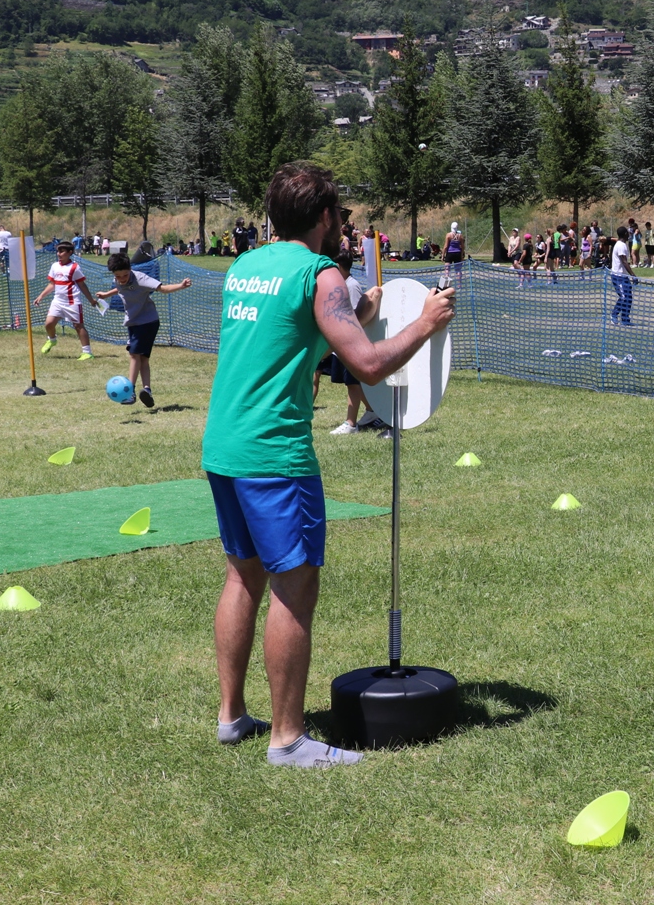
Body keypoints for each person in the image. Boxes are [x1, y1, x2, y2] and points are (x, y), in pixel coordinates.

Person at [201, 162, 454, 767]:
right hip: (275, 454)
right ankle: (288, 740)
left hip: (225, 446)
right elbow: (368, 366)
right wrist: (425, 323)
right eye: (339, 214)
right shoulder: (321, 274)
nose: (342, 224)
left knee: (242, 576)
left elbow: (288, 338)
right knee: (293, 587)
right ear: (323, 217)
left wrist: (356, 314)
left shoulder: (245, 266)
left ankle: (232, 716)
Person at [94, 252, 194, 407]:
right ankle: (147, 390)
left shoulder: (140, 278)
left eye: (125, 275)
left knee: (134, 355)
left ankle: (129, 392)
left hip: (147, 322)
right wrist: (107, 294)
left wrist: (181, 285)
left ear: (130, 269)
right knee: (143, 359)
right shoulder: (118, 279)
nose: (121, 279)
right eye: (118, 276)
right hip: (134, 322)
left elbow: (163, 289)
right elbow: (121, 288)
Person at [319, 250, 384, 435]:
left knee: (353, 384)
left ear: (339, 267)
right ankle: (372, 412)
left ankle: (351, 423)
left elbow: (356, 318)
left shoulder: (352, 286)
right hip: (341, 346)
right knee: (352, 383)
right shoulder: (341, 285)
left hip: (351, 346)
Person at [33, 240, 97, 360]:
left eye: (62, 251)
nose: (59, 254)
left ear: (70, 252)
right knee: (48, 324)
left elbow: (82, 285)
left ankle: (87, 352)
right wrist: (41, 296)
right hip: (57, 301)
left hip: (72, 302)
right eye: (58, 251)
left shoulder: (75, 267)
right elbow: (52, 284)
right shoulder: (54, 266)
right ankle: (52, 340)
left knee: (78, 326)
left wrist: (91, 300)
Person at [609, 225, 636, 325]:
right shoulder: (620, 245)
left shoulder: (623, 244)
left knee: (628, 297)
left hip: (623, 276)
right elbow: (624, 261)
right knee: (624, 297)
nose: (629, 234)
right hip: (617, 276)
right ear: (625, 234)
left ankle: (625, 319)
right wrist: (633, 275)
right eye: (628, 233)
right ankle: (614, 315)